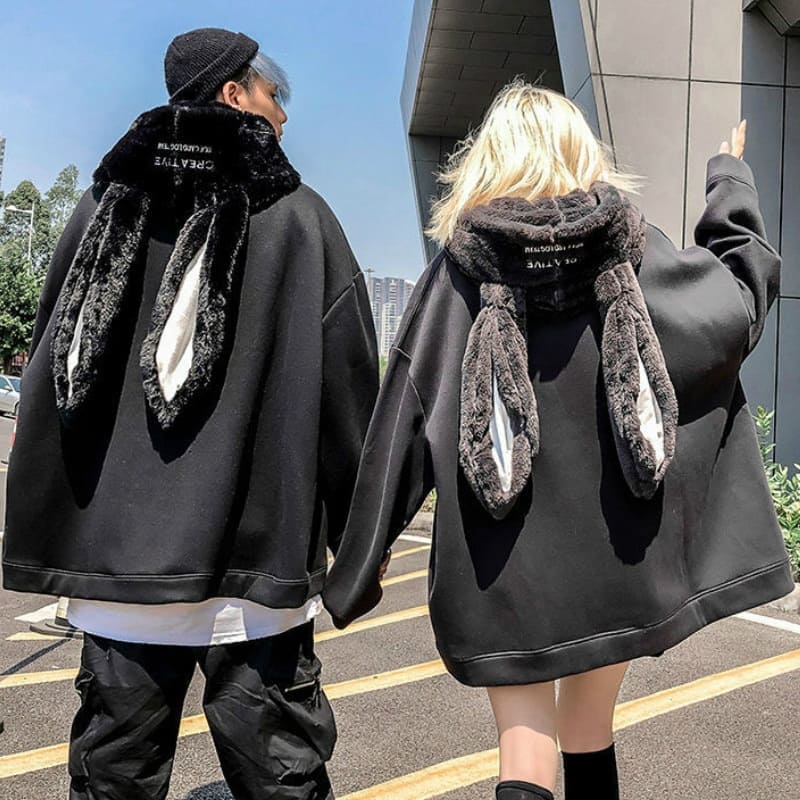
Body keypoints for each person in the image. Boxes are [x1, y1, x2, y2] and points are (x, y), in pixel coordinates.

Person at [323, 81, 794, 800]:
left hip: (499, 562)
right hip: (617, 554)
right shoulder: (632, 252)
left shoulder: (457, 271)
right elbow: (734, 308)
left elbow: (403, 416)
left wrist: (362, 558)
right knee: (589, 729)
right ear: (581, 153)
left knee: (525, 747)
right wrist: (728, 180)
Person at [2, 27, 378, 800]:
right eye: (276, 93)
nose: (284, 113)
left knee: (112, 781)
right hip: (256, 581)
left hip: (120, 577)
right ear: (234, 93)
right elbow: (350, 396)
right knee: (282, 780)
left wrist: (52, 524)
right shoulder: (300, 219)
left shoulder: (103, 209)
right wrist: (358, 542)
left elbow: (51, 370)